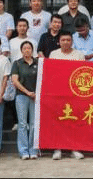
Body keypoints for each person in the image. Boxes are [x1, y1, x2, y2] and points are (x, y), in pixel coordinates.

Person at [48, 32, 86, 160]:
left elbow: (82, 72)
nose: (65, 42)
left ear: (72, 41)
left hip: (74, 93)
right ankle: (57, 148)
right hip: (58, 92)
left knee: (74, 121)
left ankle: (74, 148)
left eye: (68, 40)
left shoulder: (79, 55)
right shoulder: (54, 54)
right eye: (63, 40)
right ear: (59, 42)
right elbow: (51, 73)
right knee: (58, 120)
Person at [10, 40, 39, 160]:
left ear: (32, 50)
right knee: (22, 124)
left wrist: (36, 93)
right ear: (21, 51)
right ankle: (23, 151)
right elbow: (15, 80)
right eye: (24, 48)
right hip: (22, 96)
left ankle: (33, 150)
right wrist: (27, 92)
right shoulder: (17, 63)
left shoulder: (38, 62)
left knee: (34, 124)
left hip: (35, 97)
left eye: (29, 48)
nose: (27, 50)